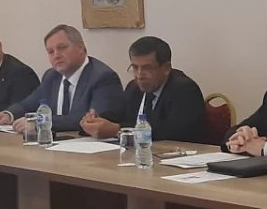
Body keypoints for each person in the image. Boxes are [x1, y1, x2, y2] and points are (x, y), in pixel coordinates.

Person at [0, 24, 123, 134]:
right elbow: (28, 104)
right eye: (50, 51)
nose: (56, 55)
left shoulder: (102, 77)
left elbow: (91, 121)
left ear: (81, 48)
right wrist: (8, 114)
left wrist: (40, 122)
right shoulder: (52, 76)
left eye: (62, 48)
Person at [80, 36, 208, 143]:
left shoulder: (184, 90)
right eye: (135, 68)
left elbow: (171, 133)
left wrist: (118, 130)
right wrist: (95, 121)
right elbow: (119, 116)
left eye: (147, 68)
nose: (139, 75)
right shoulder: (134, 88)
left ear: (166, 68)